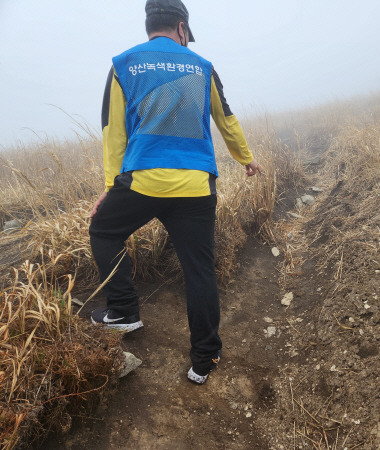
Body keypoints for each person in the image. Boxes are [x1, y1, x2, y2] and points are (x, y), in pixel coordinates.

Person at [89, 0, 260, 385]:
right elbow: (226, 119)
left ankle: (123, 311)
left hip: (143, 182)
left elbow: (113, 132)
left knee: (103, 229)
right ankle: (205, 359)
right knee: (199, 270)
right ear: (181, 27)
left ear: (150, 24)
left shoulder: (123, 64)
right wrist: (245, 159)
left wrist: (109, 187)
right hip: (195, 187)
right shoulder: (201, 66)